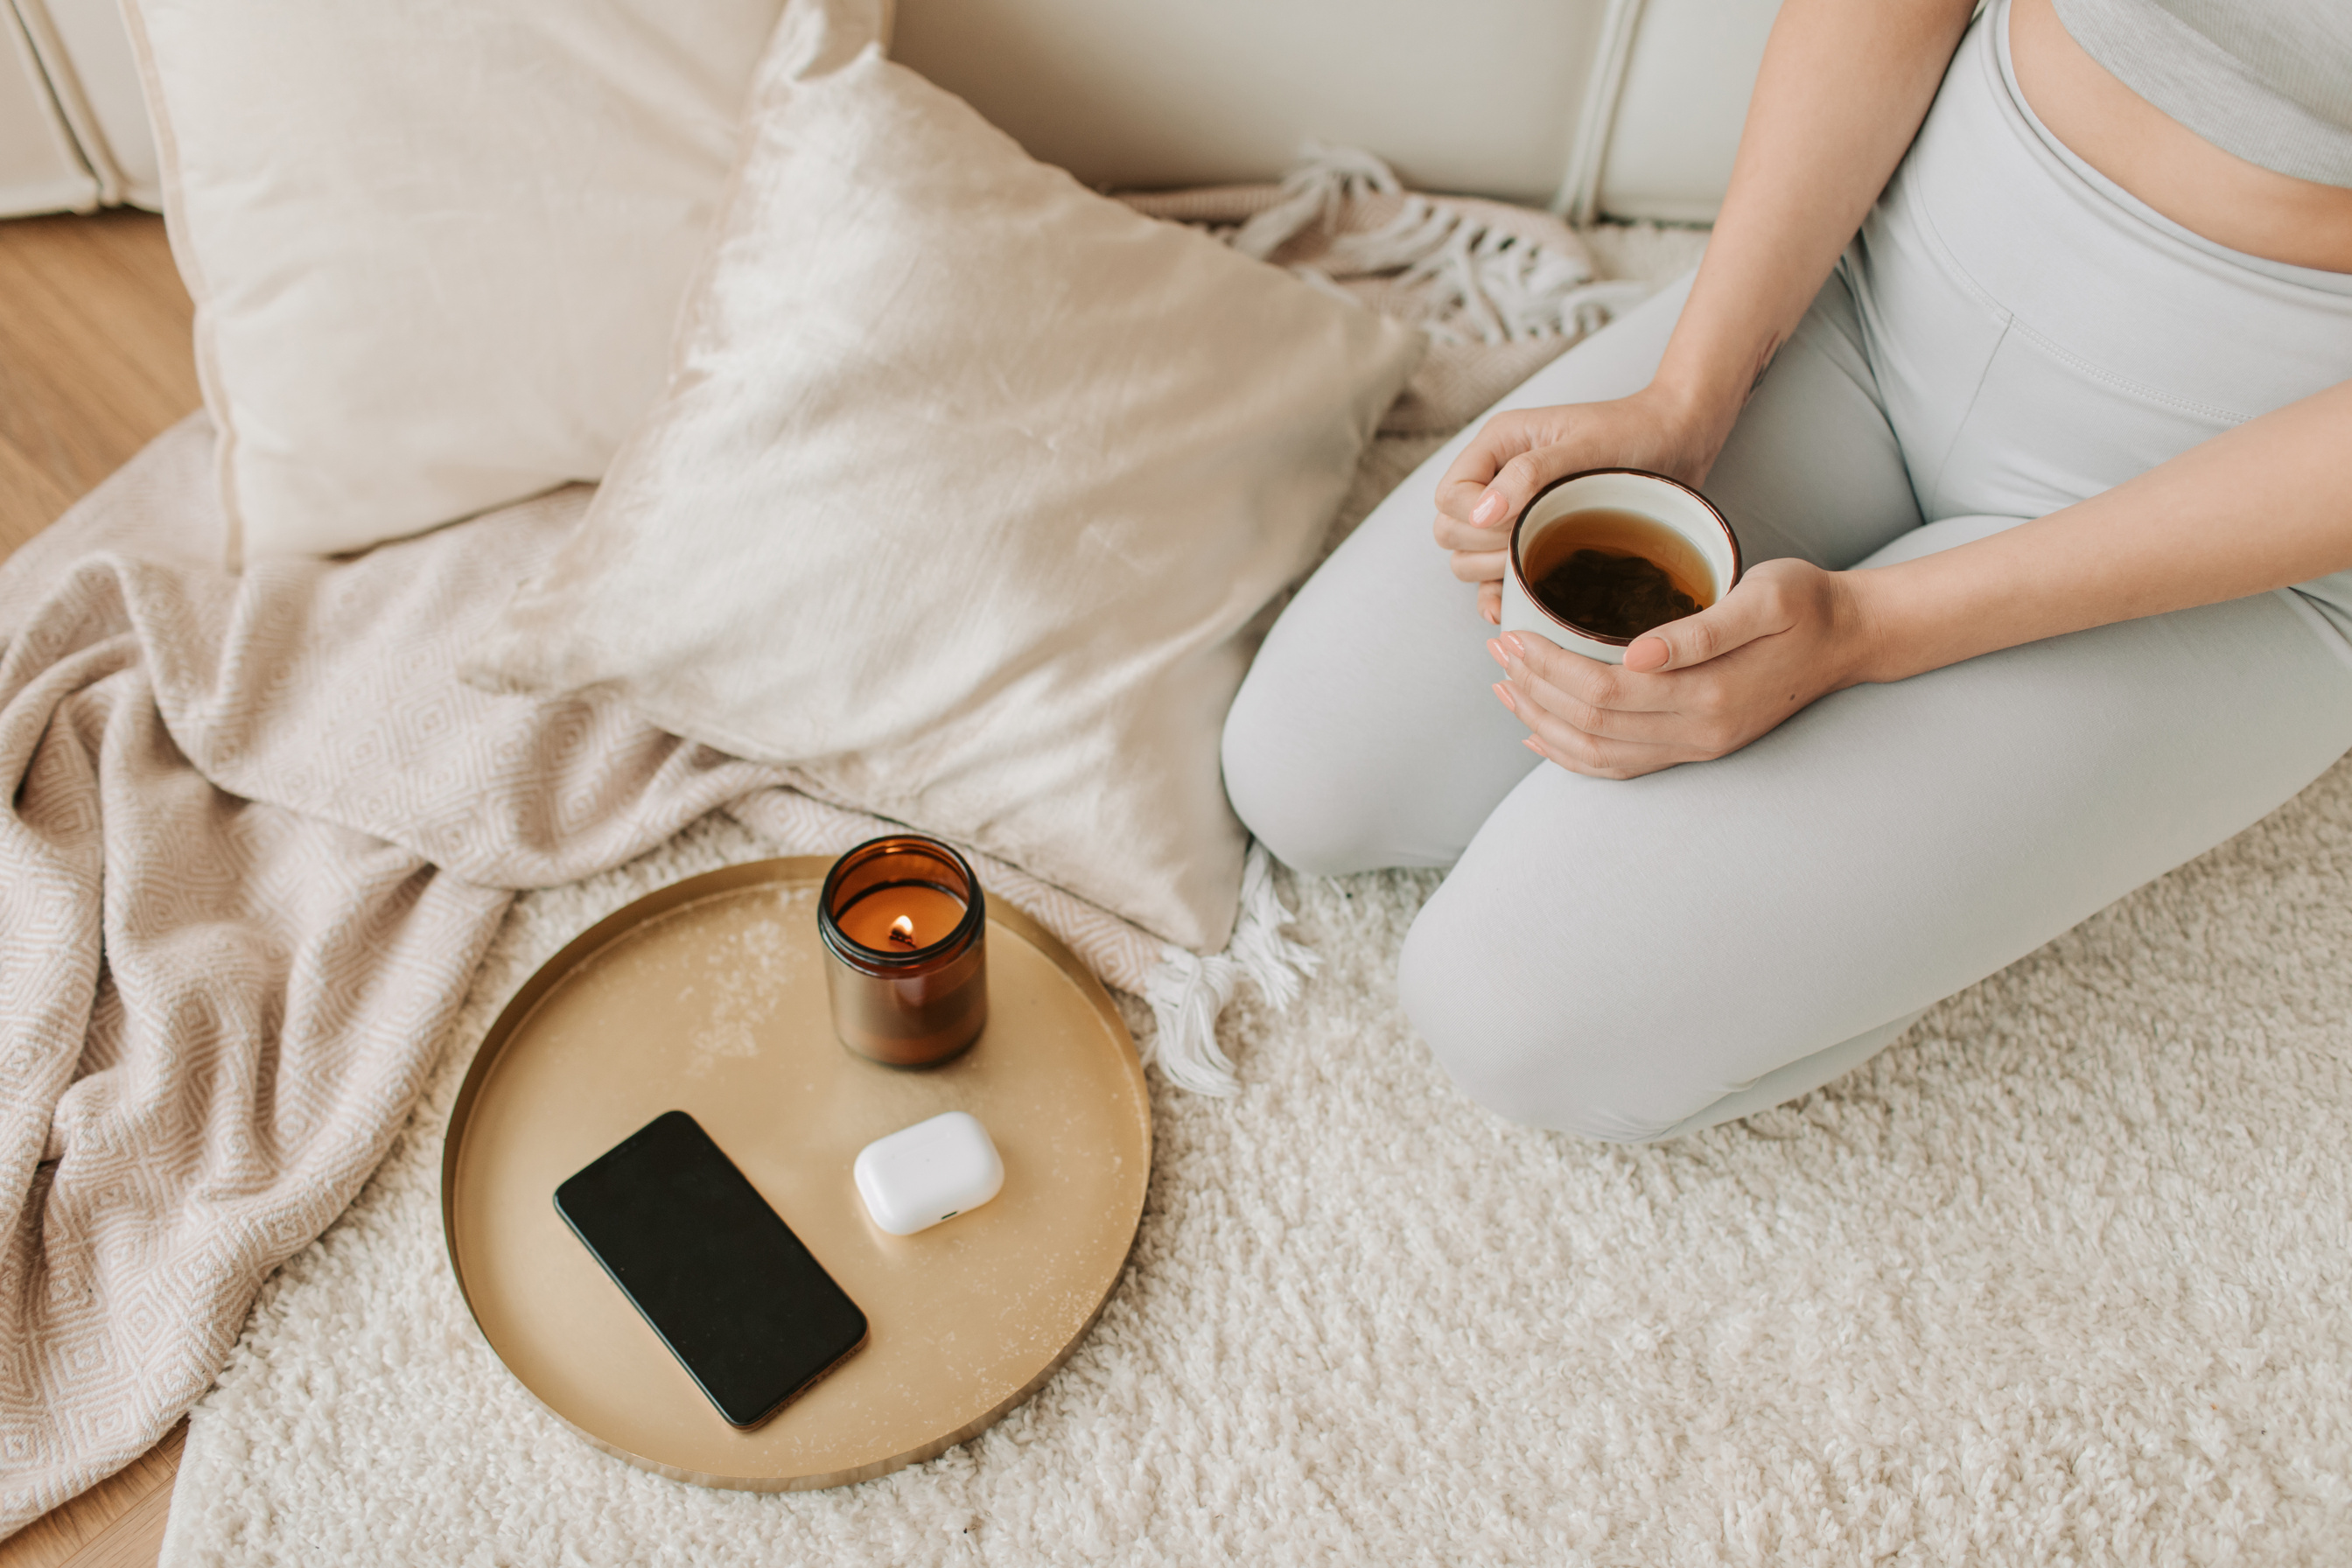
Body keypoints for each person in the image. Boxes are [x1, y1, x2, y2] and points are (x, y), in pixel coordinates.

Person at [1220, 0, 2352, 1143]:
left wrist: (1867, 629)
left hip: (2242, 497)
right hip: (1888, 269)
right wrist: (1686, 395)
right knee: (1306, 772)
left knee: (1513, 1010)